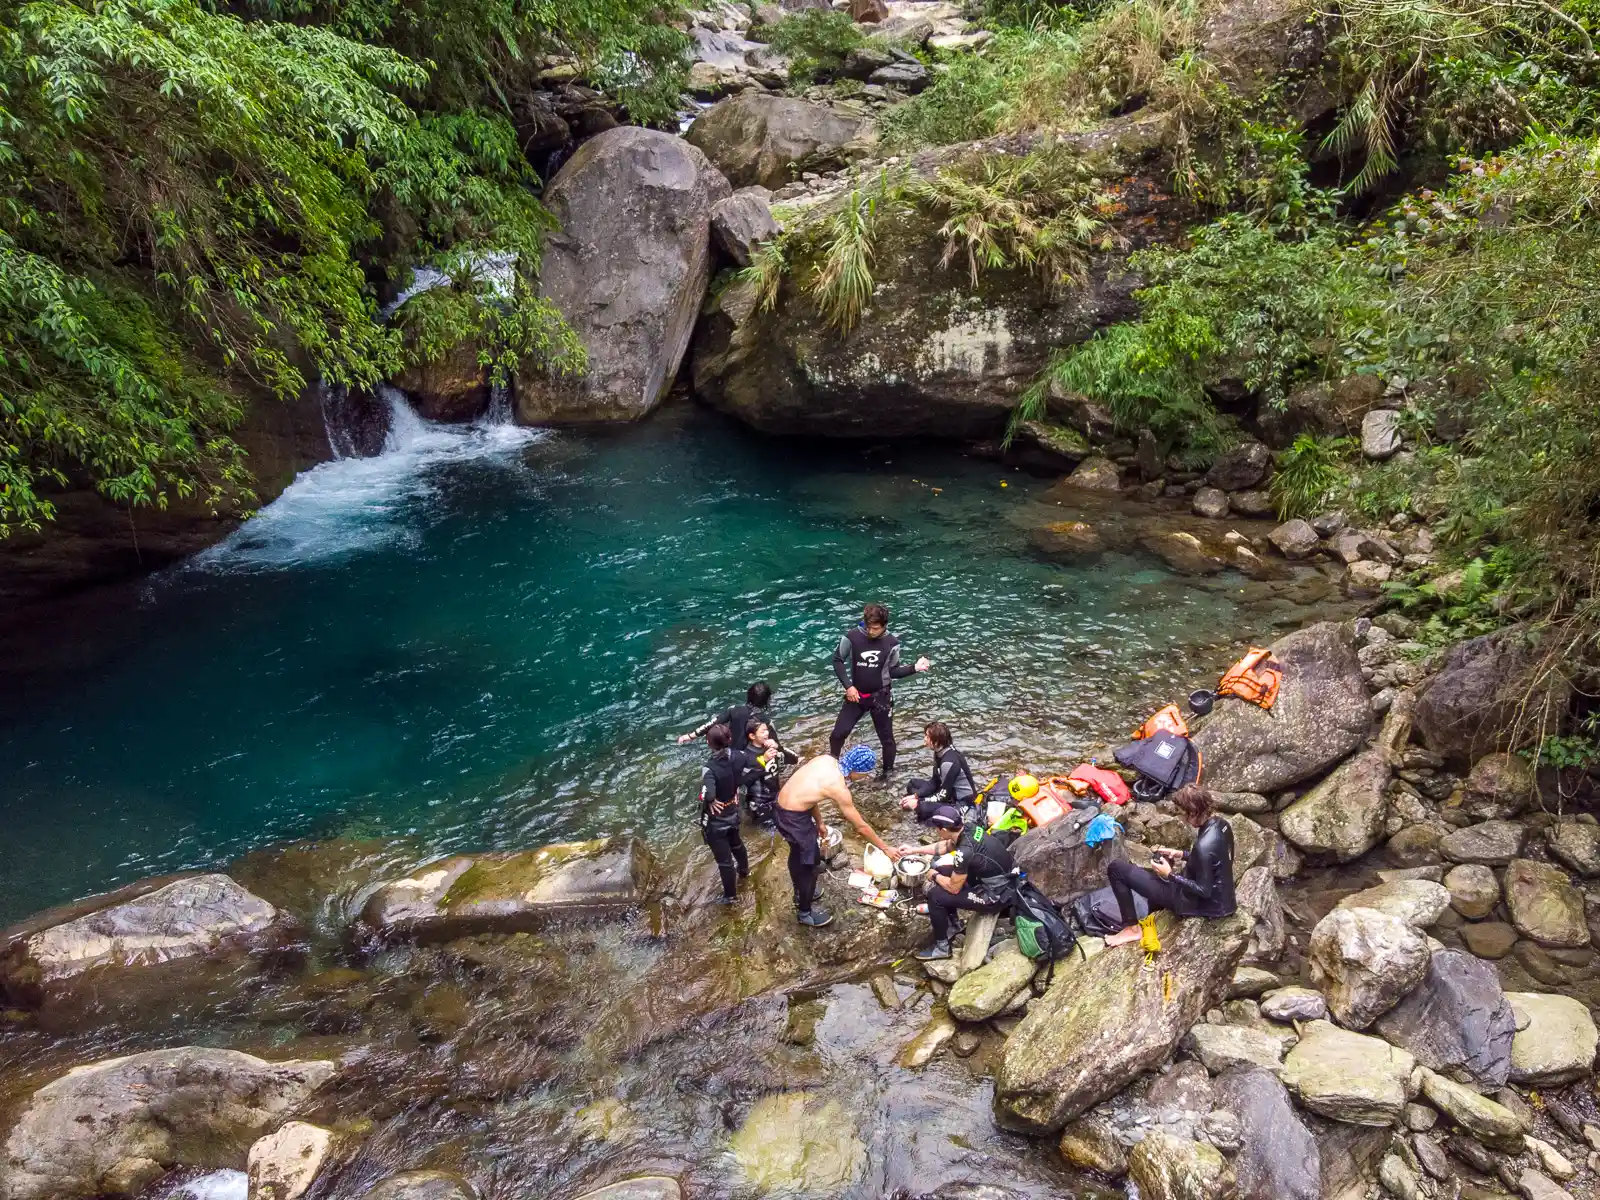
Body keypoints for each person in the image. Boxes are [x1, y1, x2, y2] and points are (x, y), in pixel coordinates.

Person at [774, 754, 902, 928]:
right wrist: (886, 849)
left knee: (797, 852)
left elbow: (811, 796)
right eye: (865, 774)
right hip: (793, 818)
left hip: (781, 807)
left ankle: (799, 893)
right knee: (809, 866)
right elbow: (861, 826)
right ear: (857, 771)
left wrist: (820, 822)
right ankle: (804, 913)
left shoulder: (826, 760)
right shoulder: (839, 788)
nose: (865, 777)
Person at [1104, 784, 1236, 947]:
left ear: (1193, 812)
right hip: (1224, 901)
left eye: (1182, 814)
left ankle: (1131, 929)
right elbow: (1217, 861)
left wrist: (1170, 875)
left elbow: (1204, 890)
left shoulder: (1204, 847)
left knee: (1117, 869)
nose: (1181, 819)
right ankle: (1150, 913)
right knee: (1150, 885)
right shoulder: (1221, 825)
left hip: (1198, 905)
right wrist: (1181, 854)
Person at [897, 805, 1016, 961]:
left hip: (996, 895)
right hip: (994, 879)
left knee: (935, 896)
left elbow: (953, 888)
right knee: (943, 869)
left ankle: (942, 948)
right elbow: (946, 846)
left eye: (937, 828)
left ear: (944, 830)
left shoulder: (964, 851)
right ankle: (954, 924)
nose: (936, 831)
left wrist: (932, 875)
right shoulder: (968, 828)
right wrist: (913, 850)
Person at [828, 603, 930, 777]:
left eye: (875, 628)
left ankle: (887, 775)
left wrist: (914, 668)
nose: (870, 631)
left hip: (880, 698)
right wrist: (848, 686)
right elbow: (837, 660)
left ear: (884, 625)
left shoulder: (892, 643)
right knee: (838, 734)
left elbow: (892, 671)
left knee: (887, 740)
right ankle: (831, 765)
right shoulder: (852, 637)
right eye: (868, 627)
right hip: (856, 695)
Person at [698, 724, 769, 904]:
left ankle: (730, 896)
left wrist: (709, 800)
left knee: (724, 861)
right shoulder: (740, 756)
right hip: (732, 810)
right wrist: (764, 759)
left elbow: (710, 794)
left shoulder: (709, 768)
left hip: (717, 819)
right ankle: (744, 871)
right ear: (729, 740)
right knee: (736, 843)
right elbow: (755, 765)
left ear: (709, 743)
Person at [899, 721, 978, 823]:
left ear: (936, 742)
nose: (924, 739)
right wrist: (915, 795)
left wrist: (918, 802)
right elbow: (934, 782)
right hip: (947, 792)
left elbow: (943, 796)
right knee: (912, 784)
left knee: (922, 809)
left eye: (927, 736)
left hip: (961, 803)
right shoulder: (939, 752)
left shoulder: (948, 762)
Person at [678, 682, 779, 750]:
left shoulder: (733, 710)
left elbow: (712, 723)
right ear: (767, 700)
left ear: (748, 694)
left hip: (731, 752)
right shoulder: (766, 721)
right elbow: (776, 744)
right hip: (750, 758)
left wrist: (690, 736)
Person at [743, 719, 797, 826]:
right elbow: (745, 780)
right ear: (752, 736)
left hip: (776, 796)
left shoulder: (772, 748)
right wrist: (764, 760)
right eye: (762, 732)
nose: (767, 733)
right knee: (766, 831)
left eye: (767, 730)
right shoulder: (746, 755)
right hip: (759, 803)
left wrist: (779, 747)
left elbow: (794, 760)